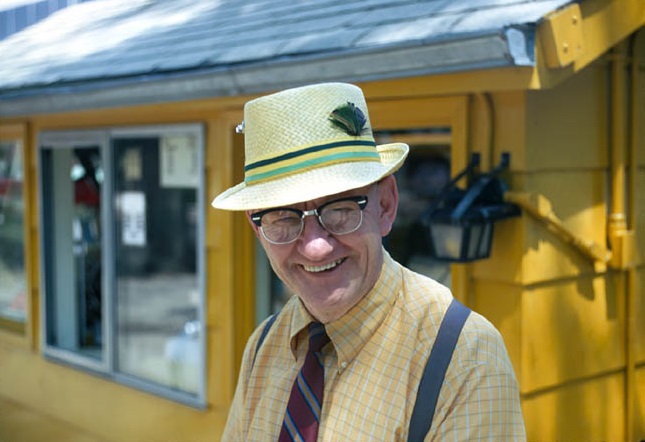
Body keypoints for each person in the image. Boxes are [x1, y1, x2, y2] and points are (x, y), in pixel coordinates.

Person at [212, 82, 526, 441]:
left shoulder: (464, 356)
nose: (315, 247)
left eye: (341, 209)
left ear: (386, 205)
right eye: (283, 217)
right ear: (257, 227)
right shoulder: (262, 346)